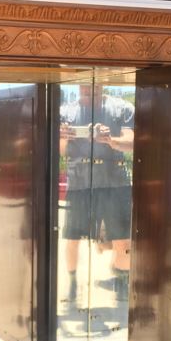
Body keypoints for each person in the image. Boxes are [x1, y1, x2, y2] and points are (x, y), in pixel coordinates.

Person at [59, 84, 134, 307]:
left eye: (94, 87)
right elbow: (61, 150)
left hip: (115, 181)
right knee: (73, 238)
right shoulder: (66, 112)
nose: (89, 89)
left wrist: (110, 140)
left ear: (103, 82)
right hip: (80, 182)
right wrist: (64, 137)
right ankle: (73, 284)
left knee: (123, 239)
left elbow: (131, 143)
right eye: (84, 88)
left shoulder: (122, 108)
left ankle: (122, 281)